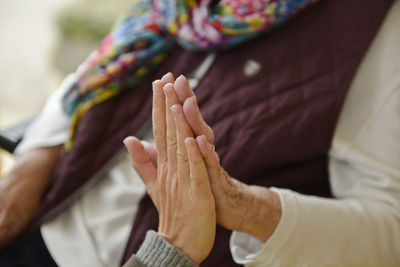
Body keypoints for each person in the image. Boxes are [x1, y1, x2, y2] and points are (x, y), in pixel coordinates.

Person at [1, 0, 400, 266]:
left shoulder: (378, 25)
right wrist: (37, 152)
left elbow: (390, 232)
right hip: (48, 223)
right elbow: (95, 72)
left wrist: (246, 208)